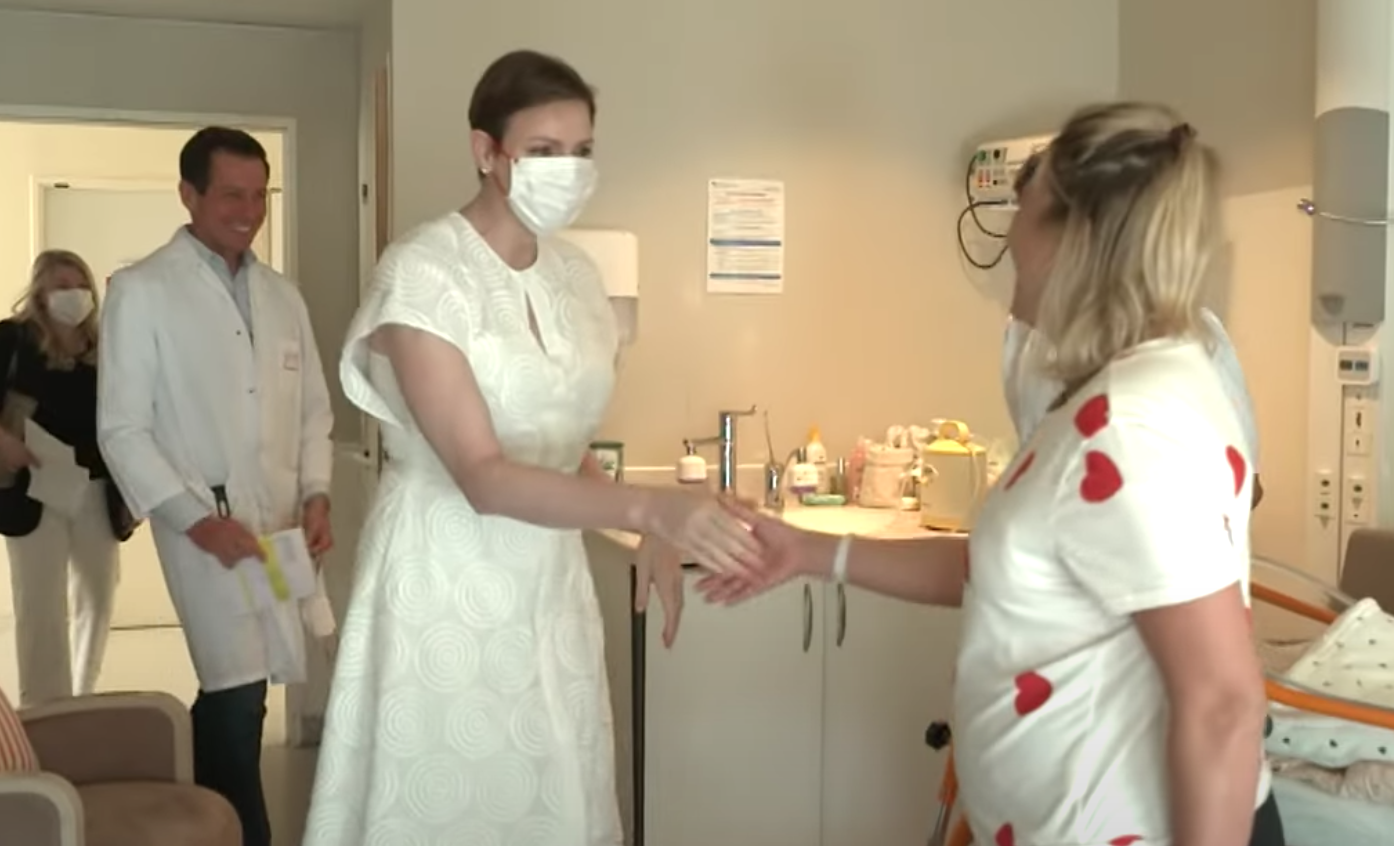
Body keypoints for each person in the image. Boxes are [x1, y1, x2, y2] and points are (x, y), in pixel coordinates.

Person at [705, 103, 1284, 846]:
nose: (1008, 234)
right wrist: (811, 552)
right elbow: (1011, 563)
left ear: (1077, 234)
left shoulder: (1133, 424)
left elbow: (1223, 705)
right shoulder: (1113, 393)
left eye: (1023, 206)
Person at [303, 49, 759, 846]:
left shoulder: (577, 277)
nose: (568, 170)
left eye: (582, 151)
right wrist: (652, 507)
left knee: (553, 784)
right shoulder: (423, 274)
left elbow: (560, 444)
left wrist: (643, 525)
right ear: (487, 151)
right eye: (544, 151)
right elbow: (483, 474)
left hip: (547, 575)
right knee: (454, 792)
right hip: (444, 572)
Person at [97, 126, 335, 846]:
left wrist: (318, 494)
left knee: (252, 688)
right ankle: (240, 832)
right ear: (189, 194)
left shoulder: (282, 297)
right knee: (234, 682)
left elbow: (314, 412)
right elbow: (123, 430)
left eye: (259, 195)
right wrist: (195, 520)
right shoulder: (142, 291)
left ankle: (209, 820)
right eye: (232, 194)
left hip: (280, 530)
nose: (249, 211)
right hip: (207, 525)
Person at [0, 250, 125, 707]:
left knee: (98, 598)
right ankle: (45, 708)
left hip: (94, 488)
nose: (75, 295)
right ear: (39, 294)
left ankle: (82, 701)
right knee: (41, 605)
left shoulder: (104, 348)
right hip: (33, 486)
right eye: (62, 286)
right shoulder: (12, 340)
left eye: (81, 285)